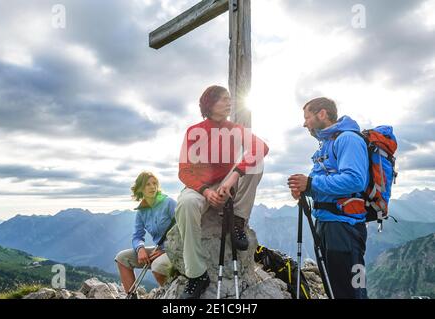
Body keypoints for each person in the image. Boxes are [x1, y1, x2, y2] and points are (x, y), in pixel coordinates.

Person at [176, 85, 269, 299]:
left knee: (256, 163)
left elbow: (261, 147)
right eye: (224, 99)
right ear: (210, 104)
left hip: (228, 183)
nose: (230, 102)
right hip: (201, 187)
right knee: (187, 204)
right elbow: (184, 171)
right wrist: (206, 191)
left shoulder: (235, 129)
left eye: (230, 99)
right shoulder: (194, 131)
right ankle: (197, 274)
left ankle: (237, 219)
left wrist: (236, 173)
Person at [287, 97, 368, 299]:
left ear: (322, 114)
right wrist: (304, 189)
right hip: (327, 223)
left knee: (352, 291)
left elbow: (355, 180)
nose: (304, 123)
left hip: (345, 228)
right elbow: (323, 182)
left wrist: (311, 184)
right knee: (334, 288)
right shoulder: (326, 145)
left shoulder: (348, 139)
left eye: (307, 117)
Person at [115, 171, 176, 292]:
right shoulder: (141, 211)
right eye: (148, 184)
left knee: (157, 266)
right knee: (122, 258)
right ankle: (132, 296)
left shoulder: (169, 203)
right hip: (157, 251)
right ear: (140, 189)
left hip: (175, 250)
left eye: (154, 183)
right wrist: (140, 249)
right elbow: (137, 236)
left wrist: (166, 250)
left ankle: (169, 294)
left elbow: (184, 229)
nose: (152, 187)